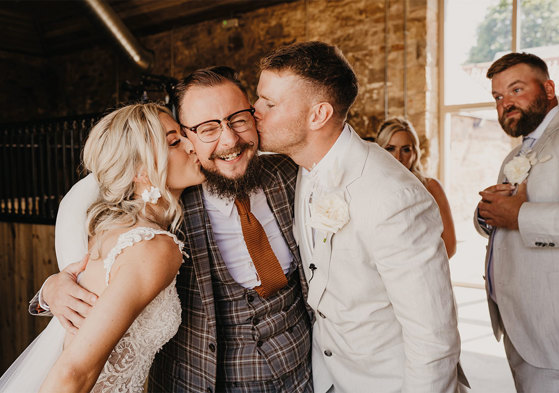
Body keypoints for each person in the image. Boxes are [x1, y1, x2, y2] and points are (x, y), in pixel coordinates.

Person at [30, 67, 313, 392]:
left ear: (253, 115)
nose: (229, 139)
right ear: (189, 134)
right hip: (194, 382)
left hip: (299, 373)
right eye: (206, 128)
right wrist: (51, 289)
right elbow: (92, 223)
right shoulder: (170, 206)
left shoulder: (290, 172)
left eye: (238, 119)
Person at [254, 41, 463, 393]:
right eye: (259, 98)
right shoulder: (302, 167)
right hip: (329, 378)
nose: (254, 109)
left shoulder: (393, 196)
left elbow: (433, 337)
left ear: (318, 115)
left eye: (269, 103)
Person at [0, 103, 205, 392]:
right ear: (140, 170)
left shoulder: (107, 229)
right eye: (174, 141)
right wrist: (49, 288)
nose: (191, 144)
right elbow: (73, 373)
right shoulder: (154, 247)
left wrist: (50, 289)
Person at [475, 52, 559, 392]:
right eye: (498, 97)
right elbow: (500, 222)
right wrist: (485, 214)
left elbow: (517, 217)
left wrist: (519, 216)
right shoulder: (516, 154)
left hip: (551, 326)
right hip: (519, 324)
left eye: (516, 90)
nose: (505, 103)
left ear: (549, 89)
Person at [377, 117, 457, 258]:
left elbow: (449, 247)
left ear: (415, 153)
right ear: (379, 151)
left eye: (406, 149)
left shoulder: (431, 187)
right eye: (390, 149)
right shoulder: (368, 187)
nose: (398, 157)